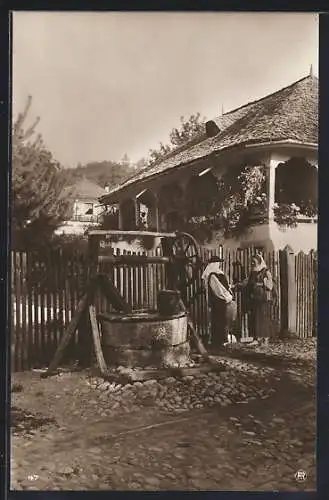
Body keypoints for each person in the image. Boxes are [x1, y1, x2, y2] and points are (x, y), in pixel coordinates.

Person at [235, 254, 274, 345]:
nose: (252, 263)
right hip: (254, 298)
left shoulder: (266, 271)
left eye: (254, 261)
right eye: (251, 261)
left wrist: (262, 283)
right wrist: (238, 285)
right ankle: (256, 338)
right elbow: (247, 282)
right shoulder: (252, 272)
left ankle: (265, 338)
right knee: (255, 318)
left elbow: (270, 286)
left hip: (263, 299)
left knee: (263, 319)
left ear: (259, 261)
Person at [201, 256, 237, 350]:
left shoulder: (218, 274)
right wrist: (228, 297)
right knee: (218, 321)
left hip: (221, 301)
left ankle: (221, 341)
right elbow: (218, 289)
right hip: (218, 302)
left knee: (222, 321)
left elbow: (224, 286)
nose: (218, 265)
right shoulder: (213, 275)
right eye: (217, 263)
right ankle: (218, 342)